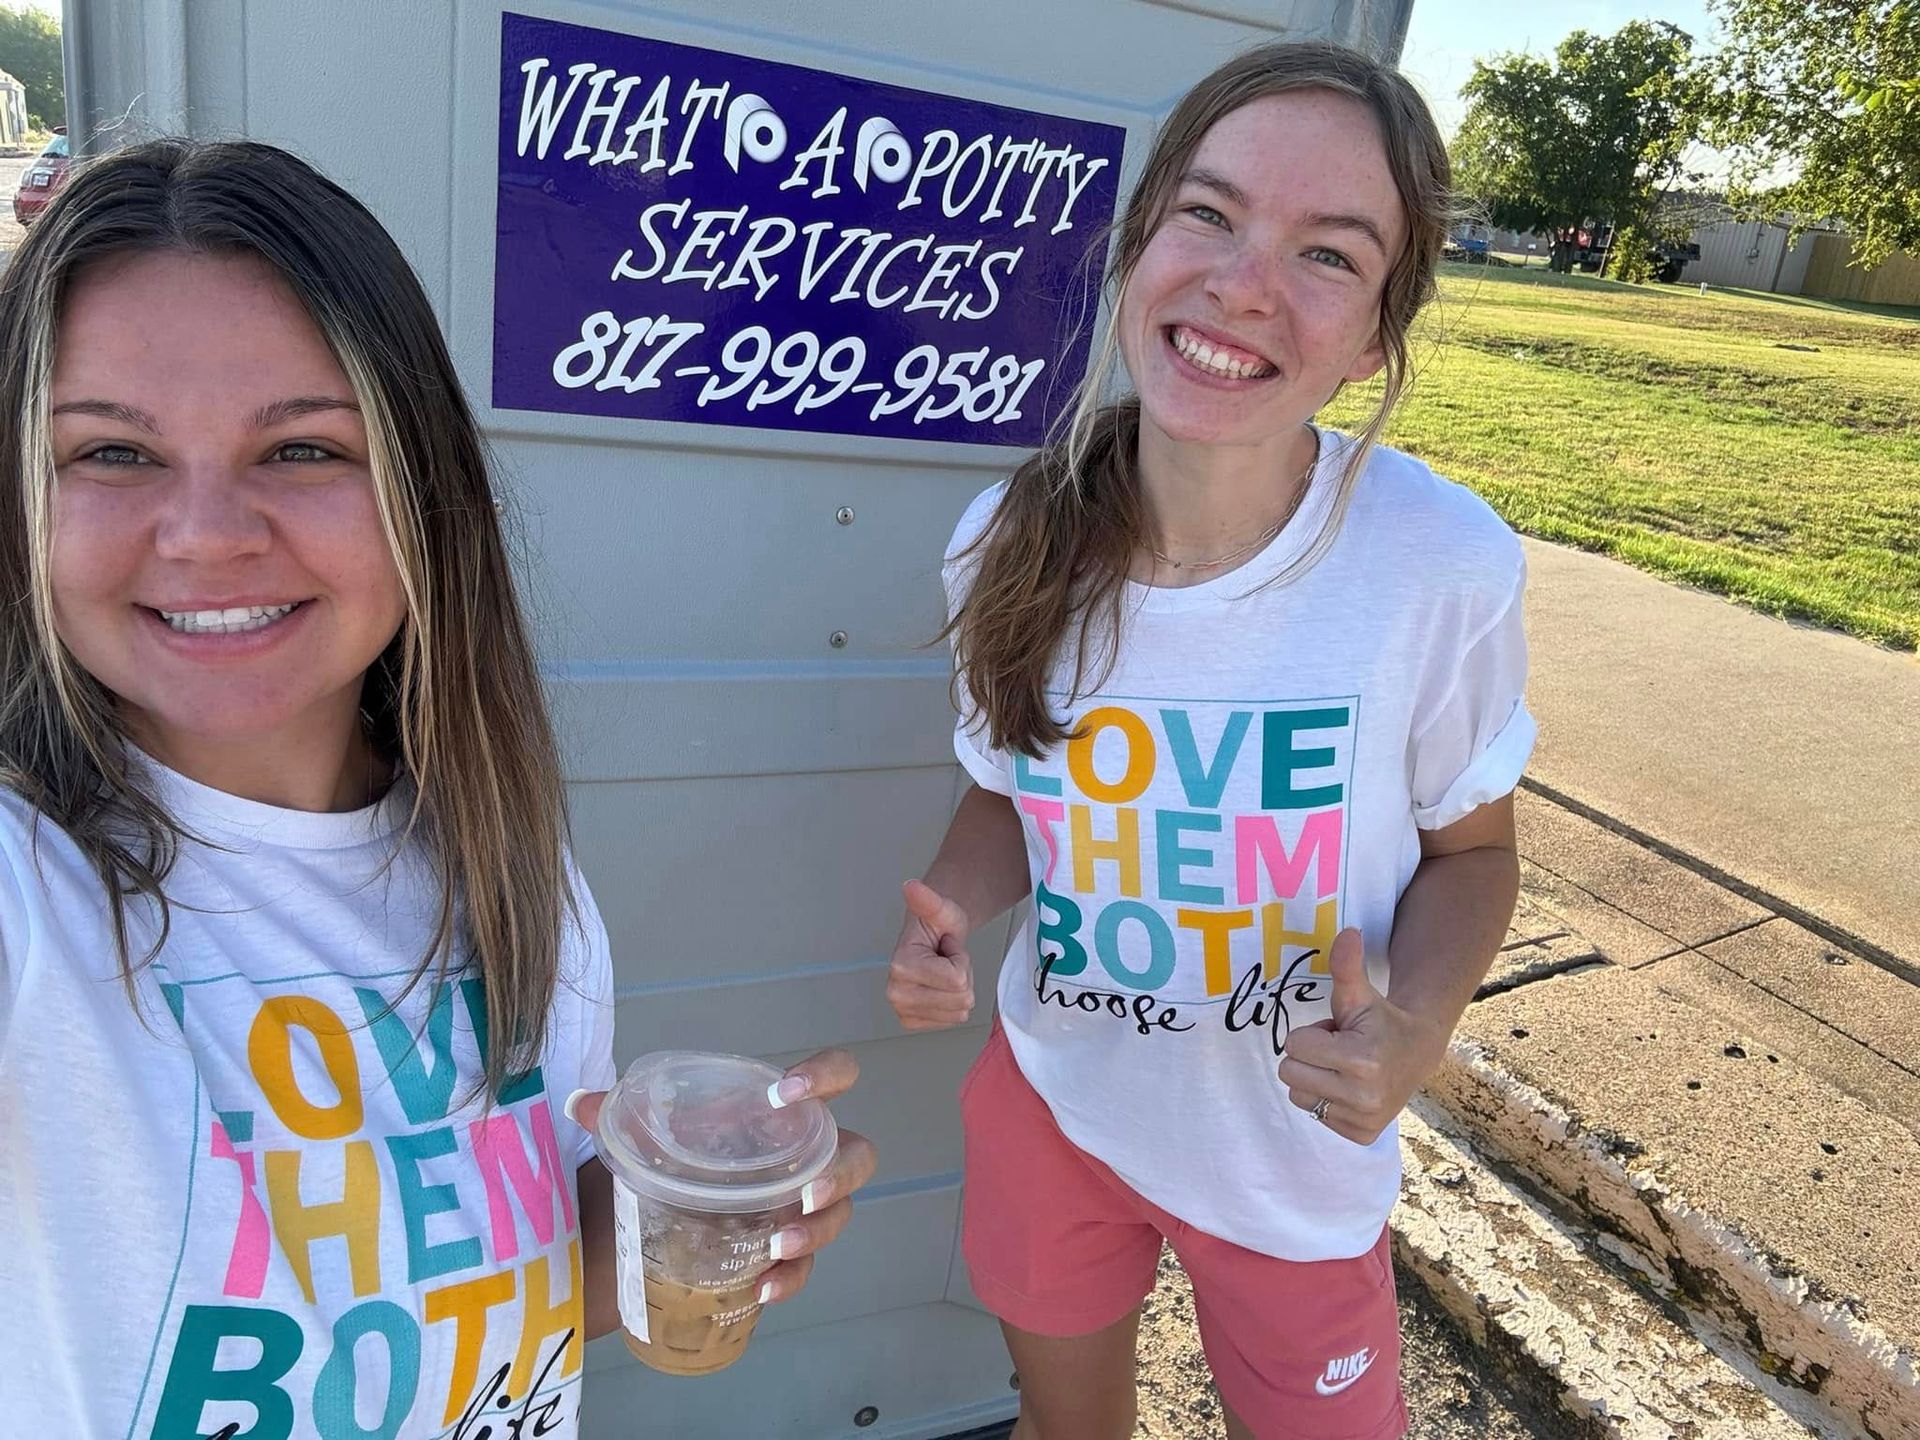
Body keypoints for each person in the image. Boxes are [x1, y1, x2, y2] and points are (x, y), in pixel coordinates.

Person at [0, 138, 874, 1436]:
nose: (206, 533)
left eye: (299, 450)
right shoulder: (33, 894)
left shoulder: (514, 878)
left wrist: (665, 1213)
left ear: (425, 495)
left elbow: (491, 1310)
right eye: (113, 455)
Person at [886, 42, 1532, 1440]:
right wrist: (954, 906)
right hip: (1056, 1108)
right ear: (1136, 247)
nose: (1243, 282)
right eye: (1209, 213)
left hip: (1293, 1159)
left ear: (1375, 337)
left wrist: (1411, 1030)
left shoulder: (1437, 567)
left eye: (1328, 253)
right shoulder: (1004, 539)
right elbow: (1010, 790)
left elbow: (1477, 856)